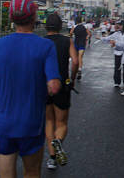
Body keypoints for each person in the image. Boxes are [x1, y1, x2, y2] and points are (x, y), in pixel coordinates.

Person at [0, 0, 61, 178]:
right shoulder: (45, 46)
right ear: (34, 17)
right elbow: (54, 87)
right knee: (32, 172)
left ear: (12, 17)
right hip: (32, 124)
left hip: (3, 124)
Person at [44, 13, 79, 170]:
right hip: (61, 85)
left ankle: (51, 158)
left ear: (46, 26)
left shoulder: (41, 42)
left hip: (44, 86)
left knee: (49, 121)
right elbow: (75, 61)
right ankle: (58, 141)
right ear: (60, 26)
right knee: (62, 122)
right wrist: (72, 78)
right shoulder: (67, 41)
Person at [99, 21, 124, 87]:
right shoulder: (116, 33)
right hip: (117, 53)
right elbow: (108, 38)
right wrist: (100, 38)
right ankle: (117, 82)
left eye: (120, 25)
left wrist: (115, 42)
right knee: (117, 68)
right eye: (118, 25)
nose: (119, 26)